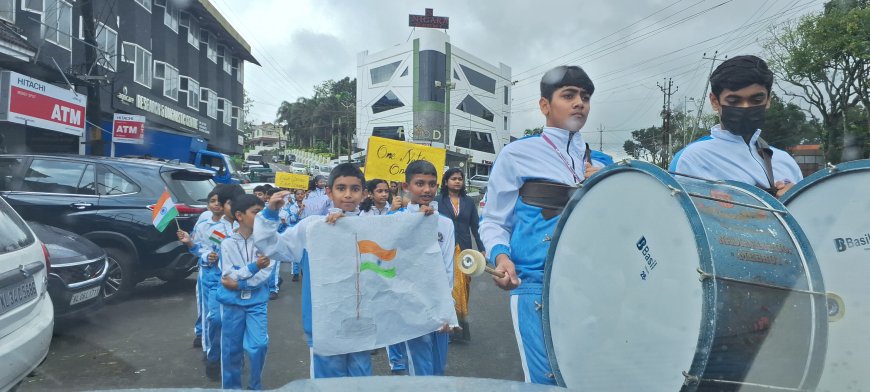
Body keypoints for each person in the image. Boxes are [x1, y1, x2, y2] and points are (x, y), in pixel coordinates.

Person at [479, 65, 600, 385]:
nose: (579, 104)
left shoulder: (602, 164)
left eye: (585, 97)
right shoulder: (517, 154)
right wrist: (501, 258)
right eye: (569, 95)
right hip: (534, 285)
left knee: (587, 378)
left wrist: (599, 186)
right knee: (545, 381)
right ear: (545, 105)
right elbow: (493, 220)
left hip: (592, 289)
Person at [253, 163, 373, 378]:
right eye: (341, 188)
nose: (348, 195)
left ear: (364, 193)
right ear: (328, 191)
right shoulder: (312, 227)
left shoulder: (375, 226)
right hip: (324, 323)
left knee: (361, 379)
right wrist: (270, 212)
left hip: (362, 322)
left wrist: (422, 219)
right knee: (327, 382)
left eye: (355, 189)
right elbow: (271, 246)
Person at [669, 55, 802, 196]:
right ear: (715, 101)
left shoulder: (785, 161)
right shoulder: (693, 159)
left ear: (768, 99)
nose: (745, 107)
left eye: (756, 99)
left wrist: (795, 200)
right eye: (733, 101)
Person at [387, 160, 456, 376]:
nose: (427, 189)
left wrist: (447, 309)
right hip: (410, 307)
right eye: (419, 183)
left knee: (438, 369)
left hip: (438, 305)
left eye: (432, 184)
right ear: (406, 186)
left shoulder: (445, 223)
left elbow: (447, 268)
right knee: (419, 368)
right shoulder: (393, 221)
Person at [178, 183, 244, 380]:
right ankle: (212, 357)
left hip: (240, 281)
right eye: (216, 202)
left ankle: (234, 357)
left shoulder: (246, 223)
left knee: (235, 322)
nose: (220, 206)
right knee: (215, 318)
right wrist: (207, 256)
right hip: (213, 277)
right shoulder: (208, 223)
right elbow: (197, 247)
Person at [218, 194, 274, 390]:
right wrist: (253, 268)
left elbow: (265, 274)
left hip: (256, 302)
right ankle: (231, 387)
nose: (261, 217)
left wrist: (241, 282)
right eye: (256, 213)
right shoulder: (227, 244)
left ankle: (255, 386)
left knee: (258, 345)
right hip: (232, 303)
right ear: (240, 215)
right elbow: (227, 276)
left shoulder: (267, 242)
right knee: (231, 350)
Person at [436, 168, 484, 343]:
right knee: (449, 288)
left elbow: (476, 228)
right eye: (453, 178)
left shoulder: (469, 202)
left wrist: (482, 248)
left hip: (464, 251)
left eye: (460, 179)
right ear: (446, 181)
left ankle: (459, 327)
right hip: (443, 249)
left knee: (463, 289)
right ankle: (449, 328)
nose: (457, 181)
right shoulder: (438, 201)